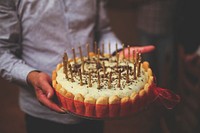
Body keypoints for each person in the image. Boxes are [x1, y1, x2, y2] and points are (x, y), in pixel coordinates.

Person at [0, 1, 154, 133]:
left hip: (95, 103)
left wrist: (118, 51)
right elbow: (3, 52)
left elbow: (103, 31)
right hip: (43, 113)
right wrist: (31, 76)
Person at [136, 0, 176, 88]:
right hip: (146, 28)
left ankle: (163, 96)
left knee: (165, 70)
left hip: (166, 29)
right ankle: (150, 96)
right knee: (147, 68)